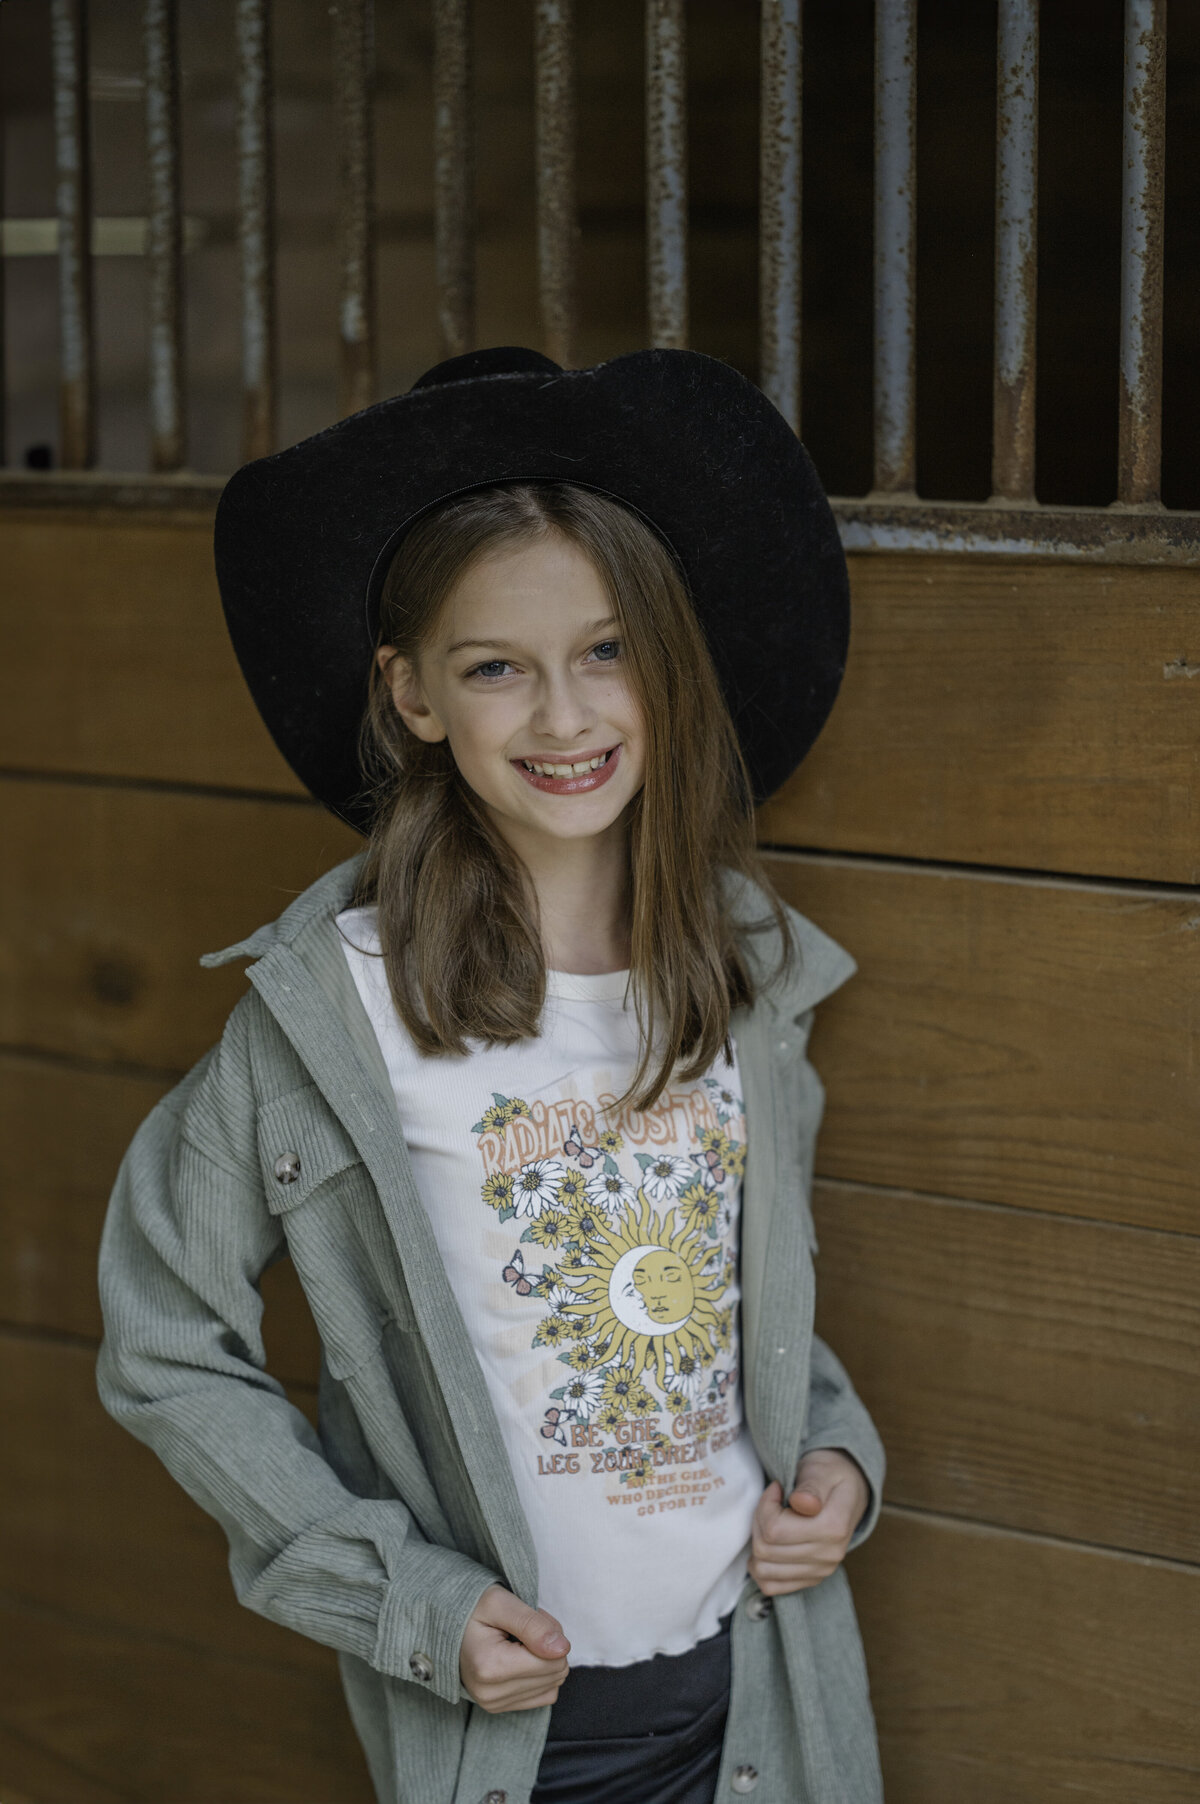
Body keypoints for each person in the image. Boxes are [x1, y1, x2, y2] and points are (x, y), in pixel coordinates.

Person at [96, 345, 886, 1804]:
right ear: (411, 697)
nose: (566, 717)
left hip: (765, 1687)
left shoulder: (746, 976)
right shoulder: (331, 1012)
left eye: (606, 652)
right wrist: (407, 1602)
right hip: (517, 1727)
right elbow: (162, 1336)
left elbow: (746, 1311)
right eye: (496, 669)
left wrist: (837, 1463)